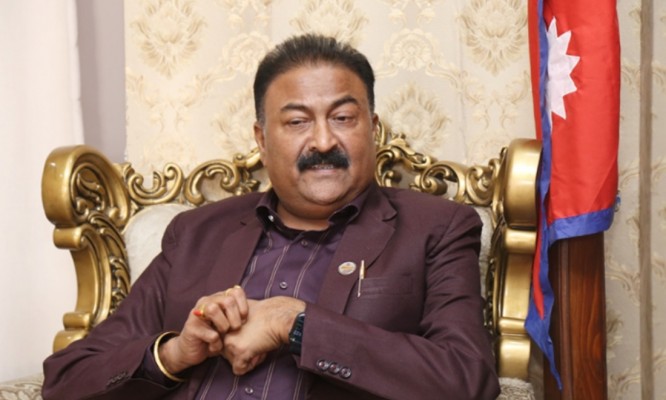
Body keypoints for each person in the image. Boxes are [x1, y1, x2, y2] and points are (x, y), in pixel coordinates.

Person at [42, 33, 500, 400]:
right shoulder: (196, 233)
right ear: (262, 140)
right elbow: (67, 379)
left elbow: (466, 379)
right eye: (297, 122)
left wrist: (294, 321)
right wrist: (176, 352)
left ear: (373, 129)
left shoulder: (436, 228)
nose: (323, 141)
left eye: (343, 118)